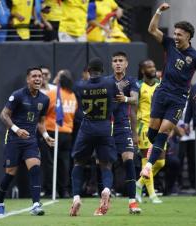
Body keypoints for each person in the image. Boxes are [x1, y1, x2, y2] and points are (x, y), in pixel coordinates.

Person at [140, 2, 196, 179]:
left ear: (188, 36)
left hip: (178, 98)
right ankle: (159, 150)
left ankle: (148, 166)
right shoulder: (169, 44)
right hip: (161, 93)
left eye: (179, 34)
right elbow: (152, 29)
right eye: (175, 34)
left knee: (163, 132)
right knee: (152, 133)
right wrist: (158, 11)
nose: (176, 37)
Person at [0, 67, 54, 216]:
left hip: (31, 141)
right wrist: (16, 129)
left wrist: (46, 136)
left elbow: (41, 122)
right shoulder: (18, 95)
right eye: (34, 76)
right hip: (14, 139)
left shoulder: (44, 99)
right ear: (28, 79)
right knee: (10, 174)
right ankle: (0, 202)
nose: (37, 79)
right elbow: (3, 115)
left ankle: (35, 205)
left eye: (40, 76)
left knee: (35, 169)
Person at [69, 57, 119, 216]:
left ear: (88, 71)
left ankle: (76, 197)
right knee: (106, 164)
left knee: (78, 162)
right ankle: (105, 189)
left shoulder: (80, 85)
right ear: (103, 71)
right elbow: (118, 98)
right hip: (104, 127)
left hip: (87, 128)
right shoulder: (110, 83)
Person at [108, 51, 141, 214]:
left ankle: (132, 202)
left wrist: (125, 99)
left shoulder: (131, 81)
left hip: (123, 127)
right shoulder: (106, 81)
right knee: (105, 163)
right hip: (106, 127)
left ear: (126, 63)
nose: (118, 63)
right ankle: (104, 198)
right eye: (115, 61)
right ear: (111, 64)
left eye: (121, 60)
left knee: (129, 160)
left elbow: (135, 99)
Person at [40, 70, 77, 198]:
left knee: (49, 162)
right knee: (64, 163)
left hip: (51, 131)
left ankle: (50, 190)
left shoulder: (53, 94)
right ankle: (64, 190)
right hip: (67, 133)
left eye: (57, 76)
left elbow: (44, 112)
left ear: (60, 80)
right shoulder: (72, 96)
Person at [135, 59, 164, 204]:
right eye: (149, 67)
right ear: (142, 70)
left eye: (153, 66)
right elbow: (133, 110)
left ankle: (139, 184)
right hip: (144, 126)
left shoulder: (160, 85)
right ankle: (152, 195)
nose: (153, 68)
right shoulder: (138, 86)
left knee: (160, 163)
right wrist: (134, 131)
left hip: (159, 127)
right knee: (147, 161)